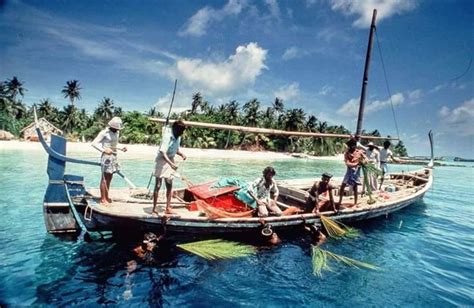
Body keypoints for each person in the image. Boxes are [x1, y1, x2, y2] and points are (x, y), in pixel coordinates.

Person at [152, 120, 187, 215]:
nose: (181, 133)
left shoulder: (178, 137)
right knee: (158, 185)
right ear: (175, 129)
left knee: (169, 184)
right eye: (180, 131)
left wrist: (181, 154)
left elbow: (176, 150)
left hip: (170, 159)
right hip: (161, 160)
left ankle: (168, 207)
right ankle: (154, 209)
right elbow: (163, 152)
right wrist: (171, 164)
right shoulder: (167, 136)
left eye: (182, 131)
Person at [91, 117, 127, 205]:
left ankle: (106, 196)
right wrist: (104, 150)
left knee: (110, 177)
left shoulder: (117, 133)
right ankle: (103, 199)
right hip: (106, 157)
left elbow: (114, 144)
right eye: (116, 128)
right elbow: (94, 143)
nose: (117, 130)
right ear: (112, 126)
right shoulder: (104, 133)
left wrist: (121, 148)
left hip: (114, 156)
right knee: (104, 178)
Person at [337, 138, 367, 208]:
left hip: (356, 172)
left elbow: (366, 159)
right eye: (350, 146)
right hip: (349, 170)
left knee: (355, 187)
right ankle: (340, 201)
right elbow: (347, 163)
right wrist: (357, 163)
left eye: (353, 146)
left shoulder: (359, 152)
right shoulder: (347, 153)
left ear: (355, 146)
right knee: (343, 185)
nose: (351, 147)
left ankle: (355, 203)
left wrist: (363, 162)